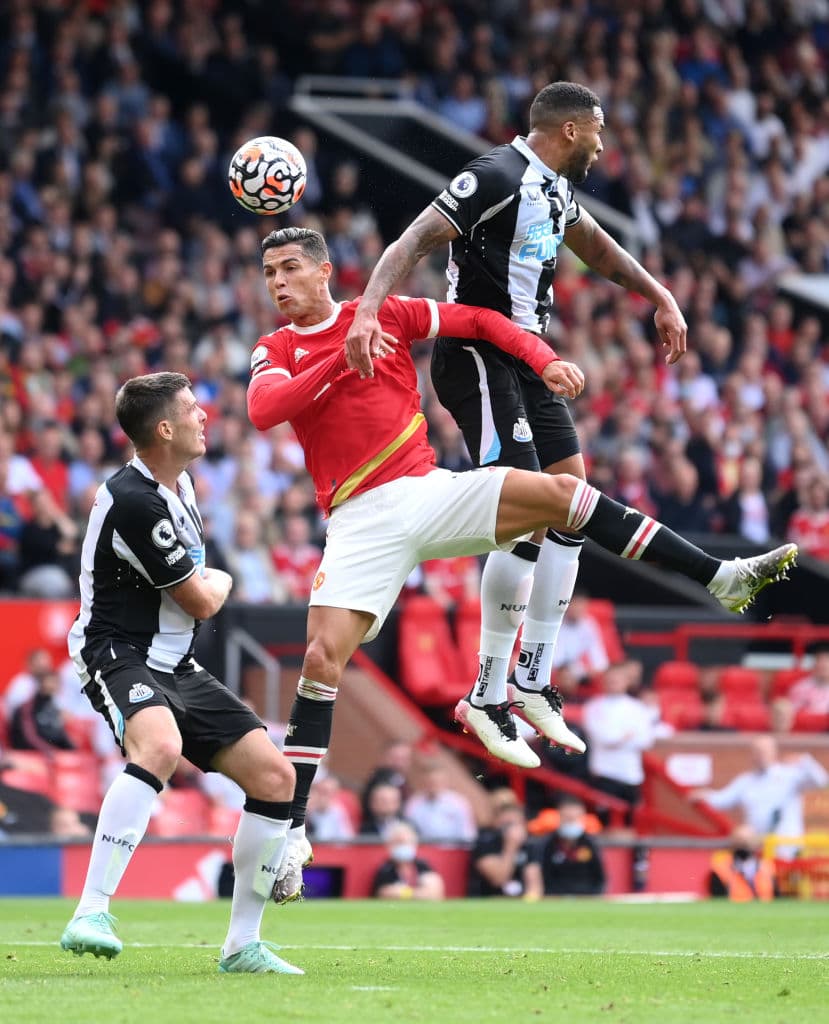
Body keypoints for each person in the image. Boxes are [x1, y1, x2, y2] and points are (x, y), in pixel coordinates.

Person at [246, 225, 796, 904]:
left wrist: (541, 359)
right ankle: (293, 834)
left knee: (563, 496)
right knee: (321, 663)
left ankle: (719, 575)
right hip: (359, 520)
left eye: (291, 268)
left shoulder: (387, 312)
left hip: (428, 491)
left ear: (324, 270)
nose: (278, 283)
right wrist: (342, 356)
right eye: (270, 272)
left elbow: (476, 318)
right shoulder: (275, 349)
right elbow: (264, 409)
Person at [345, 81, 690, 761]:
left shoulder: (556, 189)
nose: (600, 142)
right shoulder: (494, 176)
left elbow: (597, 249)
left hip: (530, 361)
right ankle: (484, 691)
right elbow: (413, 239)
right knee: (528, 508)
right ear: (567, 130)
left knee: (569, 503)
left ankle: (529, 680)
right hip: (477, 356)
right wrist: (364, 312)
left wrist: (658, 294)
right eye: (594, 130)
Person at [59, 372, 304, 976]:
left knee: (275, 777)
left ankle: (241, 945)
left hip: (177, 663)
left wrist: (208, 582)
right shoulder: (135, 499)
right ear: (164, 429)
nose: (205, 417)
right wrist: (220, 581)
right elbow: (201, 595)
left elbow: (195, 583)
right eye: (194, 409)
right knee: (160, 744)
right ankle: (90, 911)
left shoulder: (181, 484)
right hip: (118, 651)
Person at [691, 735, 828, 850]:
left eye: (764, 751)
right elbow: (722, 799)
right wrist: (704, 795)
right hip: (759, 848)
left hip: (787, 847)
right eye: (757, 752)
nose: (761, 756)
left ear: (774, 752)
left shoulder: (789, 775)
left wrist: (805, 760)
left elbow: (822, 782)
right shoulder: (745, 781)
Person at [581, 662, 659, 811]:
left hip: (631, 773)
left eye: (617, 680)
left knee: (632, 820)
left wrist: (618, 738)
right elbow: (602, 738)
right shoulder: (593, 707)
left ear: (626, 681)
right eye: (610, 680)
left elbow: (645, 740)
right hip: (604, 772)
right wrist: (627, 736)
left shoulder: (638, 708)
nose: (613, 683)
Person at [524, 795, 606, 897]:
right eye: (567, 818)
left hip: (585, 897)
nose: (571, 822)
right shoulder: (546, 844)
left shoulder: (591, 844)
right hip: (554, 897)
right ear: (559, 817)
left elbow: (600, 877)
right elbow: (539, 873)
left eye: (574, 818)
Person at [467, 788, 533, 897]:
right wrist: (511, 847)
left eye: (512, 810)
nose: (509, 818)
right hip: (490, 900)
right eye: (502, 813)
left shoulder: (531, 842)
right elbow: (498, 879)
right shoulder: (485, 841)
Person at [371, 820, 445, 901]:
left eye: (405, 841)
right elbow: (385, 893)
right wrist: (420, 893)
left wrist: (405, 893)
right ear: (389, 845)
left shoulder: (422, 865)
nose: (403, 845)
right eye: (398, 842)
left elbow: (436, 891)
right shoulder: (386, 869)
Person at [708, 824, 776, 902]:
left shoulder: (767, 867)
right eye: (740, 841)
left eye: (747, 841)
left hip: (765, 911)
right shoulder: (720, 869)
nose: (743, 845)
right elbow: (718, 900)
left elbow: (777, 898)